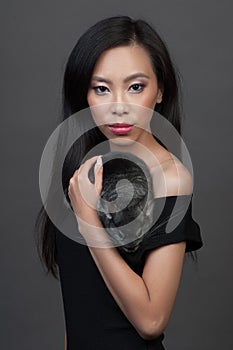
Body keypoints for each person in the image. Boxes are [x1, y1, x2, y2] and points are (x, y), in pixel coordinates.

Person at [35, 15, 203, 350]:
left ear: (160, 92)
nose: (119, 107)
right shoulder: (83, 168)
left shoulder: (171, 179)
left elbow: (151, 321)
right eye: (101, 89)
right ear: (85, 95)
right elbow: (78, 308)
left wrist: (89, 222)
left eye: (136, 87)